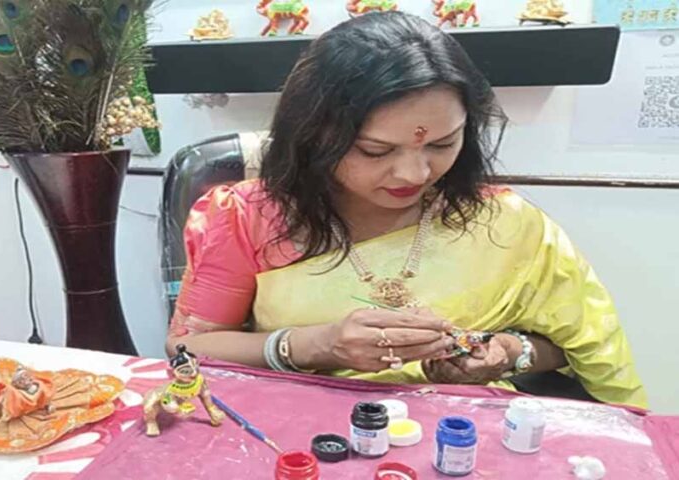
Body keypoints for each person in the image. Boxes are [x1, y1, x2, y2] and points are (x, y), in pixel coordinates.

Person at [166, 11, 646, 408]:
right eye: (375, 151)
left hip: (466, 431)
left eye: (442, 144)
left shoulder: (505, 223)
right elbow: (188, 346)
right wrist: (316, 345)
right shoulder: (249, 217)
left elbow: (577, 346)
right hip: (298, 430)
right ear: (314, 135)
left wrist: (506, 352)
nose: (414, 174)